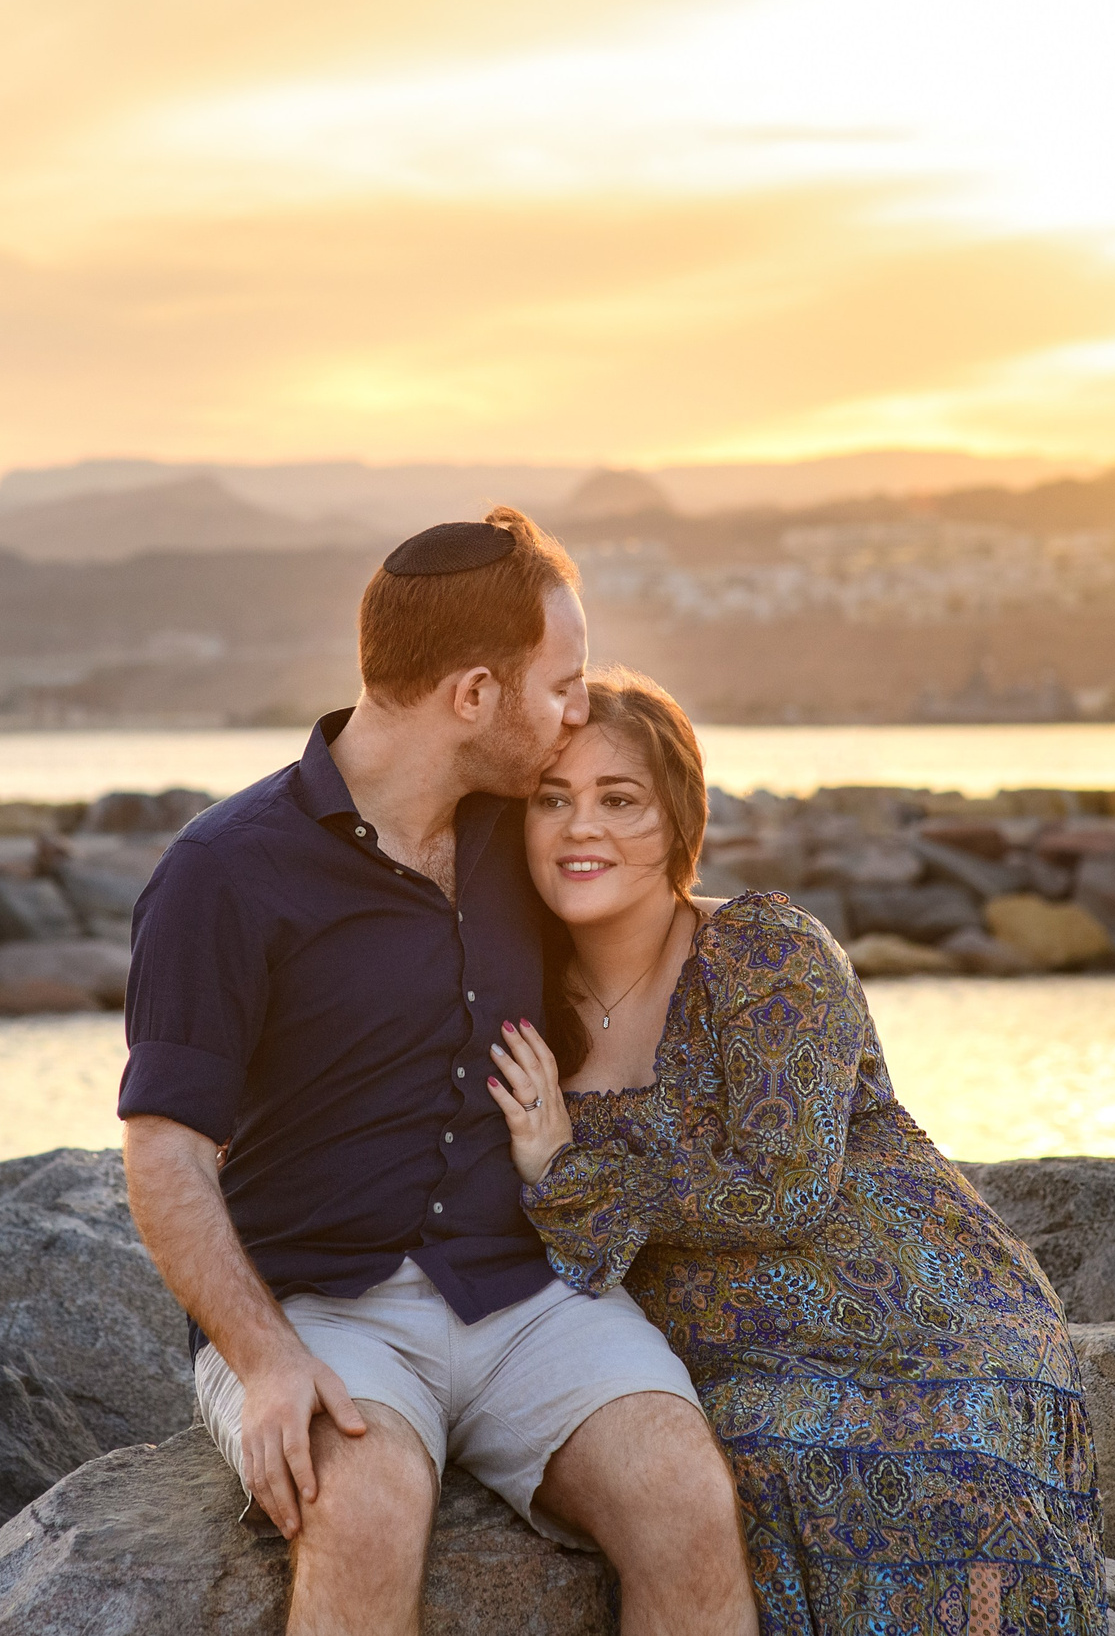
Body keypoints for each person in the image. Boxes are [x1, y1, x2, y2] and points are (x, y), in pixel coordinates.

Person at [119, 511, 759, 1636]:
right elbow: (164, 1150)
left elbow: (650, 912)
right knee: (362, 1514)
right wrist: (266, 1364)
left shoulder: (530, 833)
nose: (577, 710)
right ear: (473, 695)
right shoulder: (223, 870)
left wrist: (780, 966)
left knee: (686, 1496)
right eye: (560, 685)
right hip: (320, 1308)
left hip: (531, 1298)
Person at [485, 668, 1108, 1636]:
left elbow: (784, 1185)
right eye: (551, 800)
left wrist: (570, 1177)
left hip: (925, 1322)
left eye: (619, 799)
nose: (580, 829)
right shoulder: (513, 1003)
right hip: (732, 1362)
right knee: (734, 1451)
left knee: (934, 1449)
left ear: (679, 819)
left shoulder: (763, 949)